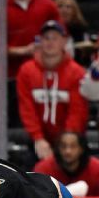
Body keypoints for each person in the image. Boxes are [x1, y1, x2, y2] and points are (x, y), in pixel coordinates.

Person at [16, 20, 89, 161]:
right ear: (40, 41)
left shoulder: (77, 72)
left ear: (64, 41)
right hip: (37, 140)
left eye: (55, 38)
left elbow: (77, 110)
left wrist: (66, 144)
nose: (50, 42)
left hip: (70, 139)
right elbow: (27, 108)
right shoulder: (26, 71)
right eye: (46, 38)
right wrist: (38, 138)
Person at [33, 131, 99, 197]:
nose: (68, 151)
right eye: (63, 146)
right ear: (57, 149)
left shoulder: (98, 169)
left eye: (73, 146)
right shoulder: (43, 169)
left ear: (81, 149)